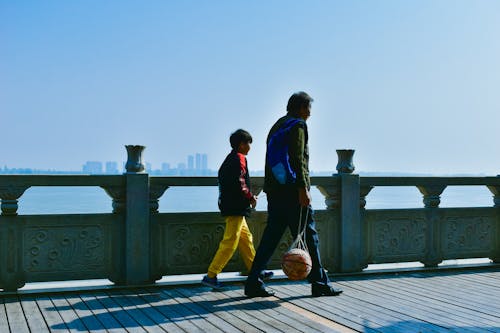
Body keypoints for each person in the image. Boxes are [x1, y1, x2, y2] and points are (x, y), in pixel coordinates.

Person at [244, 92, 343, 298]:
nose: (309, 113)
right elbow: (298, 159)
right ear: (300, 108)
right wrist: (303, 189)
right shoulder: (298, 125)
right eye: (308, 108)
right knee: (310, 236)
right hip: (293, 192)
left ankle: (253, 281)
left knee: (270, 238)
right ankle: (319, 283)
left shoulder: (277, 125)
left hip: (274, 191)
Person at [202, 129, 273, 290]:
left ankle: (257, 271)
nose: (249, 147)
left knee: (246, 240)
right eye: (248, 143)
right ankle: (211, 275)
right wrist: (250, 198)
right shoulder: (239, 158)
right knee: (230, 241)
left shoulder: (229, 159)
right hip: (235, 208)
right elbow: (241, 183)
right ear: (241, 145)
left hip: (230, 205)